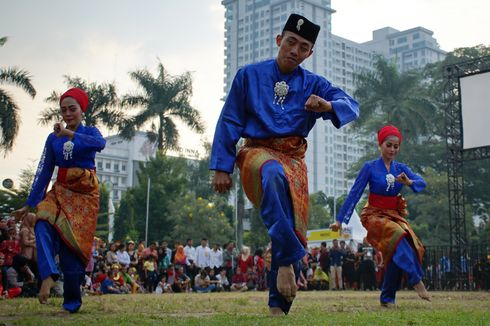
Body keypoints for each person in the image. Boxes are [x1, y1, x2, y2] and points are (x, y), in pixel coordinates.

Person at [210, 13, 359, 315]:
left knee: (290, 222)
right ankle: (290, 260)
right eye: (291, 42)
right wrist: (221, 167)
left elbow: (352, 105)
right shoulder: (248, 75)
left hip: (294, 160)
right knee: (273, 173)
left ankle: (279, 305)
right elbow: (229, 121)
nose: (295, 50)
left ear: (309, 53)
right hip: (257, 154)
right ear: (279, 40)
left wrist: (328, 105)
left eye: (303, 47)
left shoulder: (314, 84)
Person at [13, 87, 106, 312]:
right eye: (63, 110)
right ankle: (48, 274)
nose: (67, 114)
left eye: (72, 109)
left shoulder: (91, 132)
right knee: (43, 222)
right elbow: (45, 171)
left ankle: (72, 302)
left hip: (84, 194)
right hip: (61, 189)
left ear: (82, 110)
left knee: (71, 248)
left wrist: (70, 134)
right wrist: (29, 203)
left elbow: (99, 145)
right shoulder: (52, 138)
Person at [331, 125, 430, 307]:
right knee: (397, 236)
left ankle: (387, 299)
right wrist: (339, 219)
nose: (392, 149)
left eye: (396, 146)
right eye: (389, 145)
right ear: (380, 145)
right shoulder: (369, 167)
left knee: (402, 247)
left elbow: (422, 182)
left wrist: (409, 182)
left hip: (394, 215)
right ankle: (416, 279)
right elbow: (354, 193)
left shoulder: (401, 168)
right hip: (374, 215)